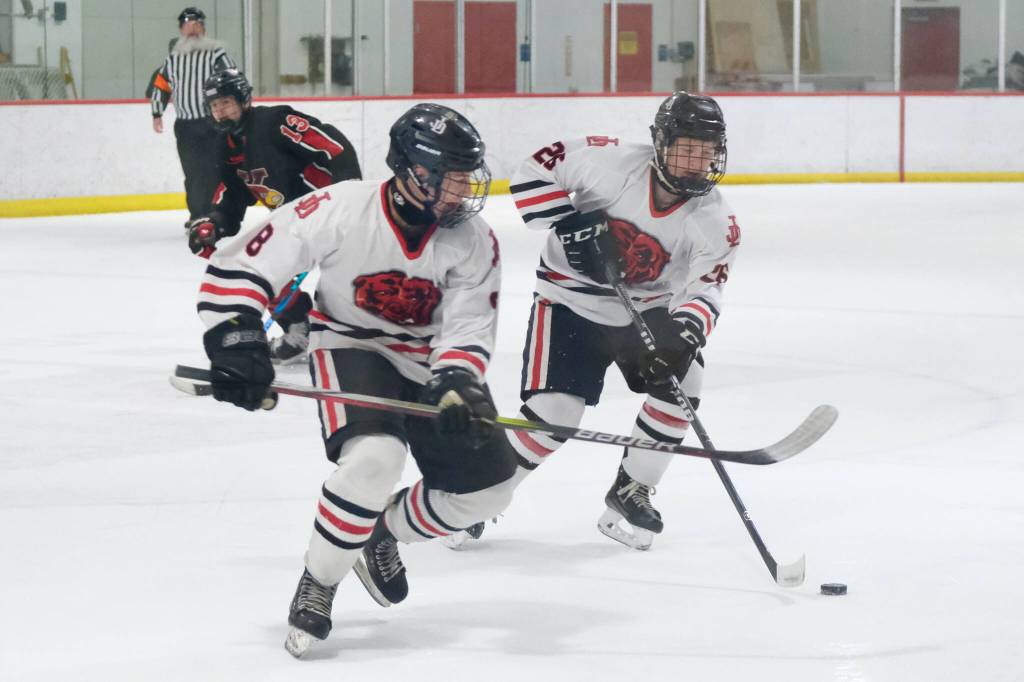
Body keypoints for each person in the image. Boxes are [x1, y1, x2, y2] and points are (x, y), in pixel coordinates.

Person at [194, 103, 518, 657]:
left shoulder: (475, 240)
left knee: (489, 489)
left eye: (468, 177)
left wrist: (458, 379)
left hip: (428, 360)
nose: (463, 191)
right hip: (350, 344)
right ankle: (320, 580)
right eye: (451, 177)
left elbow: (469, 324)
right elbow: (248, 262)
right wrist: (236, 338)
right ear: (412, 170)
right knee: (374, 459)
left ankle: (384, 530)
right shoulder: (342, 207)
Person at [450, 92, 739, 551]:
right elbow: (533, 169)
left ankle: (632, 488)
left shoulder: (716, 220)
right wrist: (569, 221)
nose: (697, 162)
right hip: (569, 302)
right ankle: (476, 494)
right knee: (555, 416)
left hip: (644, 309)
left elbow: (706, 288)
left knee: (685, 383)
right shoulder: (608, 161)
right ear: (660, 143)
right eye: (687, 147)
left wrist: (685, 332)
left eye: (708, 152)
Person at [188, 67, 363, 364]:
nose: (221, 112)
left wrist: (349, 198)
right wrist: (214, 222)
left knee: (352, 283)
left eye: (227, 103)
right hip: (293, 222)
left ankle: (366, 341)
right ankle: (298, 331)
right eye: (215, 106)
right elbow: (233, 195)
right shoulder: (225, 147)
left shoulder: (274, 122)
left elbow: (334, 147)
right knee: (259, 266)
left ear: (244, 100)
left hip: (330, 212)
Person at [150, 7, 235, 222]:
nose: (193, 28)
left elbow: (233, 80)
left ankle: (213, 213)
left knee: (214, 170)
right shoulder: (173, 58)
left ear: (204, 28)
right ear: (181, 29)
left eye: (198, 24)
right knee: (192, 172)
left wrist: (233, 112)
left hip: (213, 123)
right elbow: (161, 85)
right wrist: (156, 112)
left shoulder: (216, 54)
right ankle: (197, 214)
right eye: (189, 24)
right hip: (186, 125)